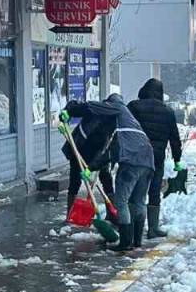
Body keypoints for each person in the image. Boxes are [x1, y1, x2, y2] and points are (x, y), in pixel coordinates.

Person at [64, 94, 154, 252]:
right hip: (147, 161)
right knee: (139, 201)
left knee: (122, 201)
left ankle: (125, 242)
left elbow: (110, 151)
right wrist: (69, 110)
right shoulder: (128, 121)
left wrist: (91, 168)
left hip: (130, 161)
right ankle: (136, 241)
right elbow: (85, 107)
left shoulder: (116, 111)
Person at [127, 79, 183, 239]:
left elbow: (126, 128)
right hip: (157, 158)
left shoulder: (134, 106)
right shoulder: (168, 112)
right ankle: (152, 229)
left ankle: (132, 228)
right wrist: (177, 159)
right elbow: (175, 139)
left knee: (135, 192)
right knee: (154, 191)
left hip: (137, 156)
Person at [62, 100, 116, 223]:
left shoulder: (115, 118)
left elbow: (109, 142)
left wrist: (94, 166)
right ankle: (70, 214)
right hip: (79, 149)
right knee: (75, 181)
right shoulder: (93, 108)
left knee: (106, 178)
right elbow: (74, 105)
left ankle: (112, 213)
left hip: (100, 152)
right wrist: (66, 112)